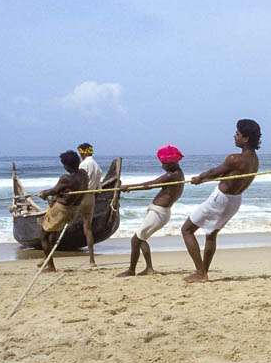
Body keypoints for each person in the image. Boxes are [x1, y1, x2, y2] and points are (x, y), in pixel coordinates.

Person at [182, 120, 261, 282]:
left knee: (187, 230)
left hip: (221, 200)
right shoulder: (255, 159)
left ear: (245, 138)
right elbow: (226, 175)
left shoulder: (235, 158)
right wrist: (206, 178)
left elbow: (214, 172)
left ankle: (200, 272)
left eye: (238, 134)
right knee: (211, 234)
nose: (235, 136)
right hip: (235, 201)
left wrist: (200, 178)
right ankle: (203, 272)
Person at [117, 145, 185, 277]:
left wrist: (129, 187)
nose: (162, 166)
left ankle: (133, 270)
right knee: (140, 238)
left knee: (136, 239)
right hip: (160, 212)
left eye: (164, 163)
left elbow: (148, 185)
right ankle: (147, 268)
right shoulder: (178, 173)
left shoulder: (172, 175)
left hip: (159, 213)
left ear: (170, 163)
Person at [36, 152, 87, 273]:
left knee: (43, 235)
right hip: (74, 209)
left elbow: (53, 190)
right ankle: (48, 257)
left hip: (61, 209)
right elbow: (64, 191)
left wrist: (44, 193)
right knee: (53, 233)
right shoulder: (84, 174)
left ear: (66, 166)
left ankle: (51, 266)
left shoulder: (66, 178)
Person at [76, 143, 103, 267]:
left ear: (84, 152)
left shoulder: (83, 165)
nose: (80, 155)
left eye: (80, 153)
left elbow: (79, 183)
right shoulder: (97, 167)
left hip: (81, 196)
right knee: (88, 228)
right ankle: (92, 260)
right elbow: (99, 189)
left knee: (61, 222)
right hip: (91, 198)